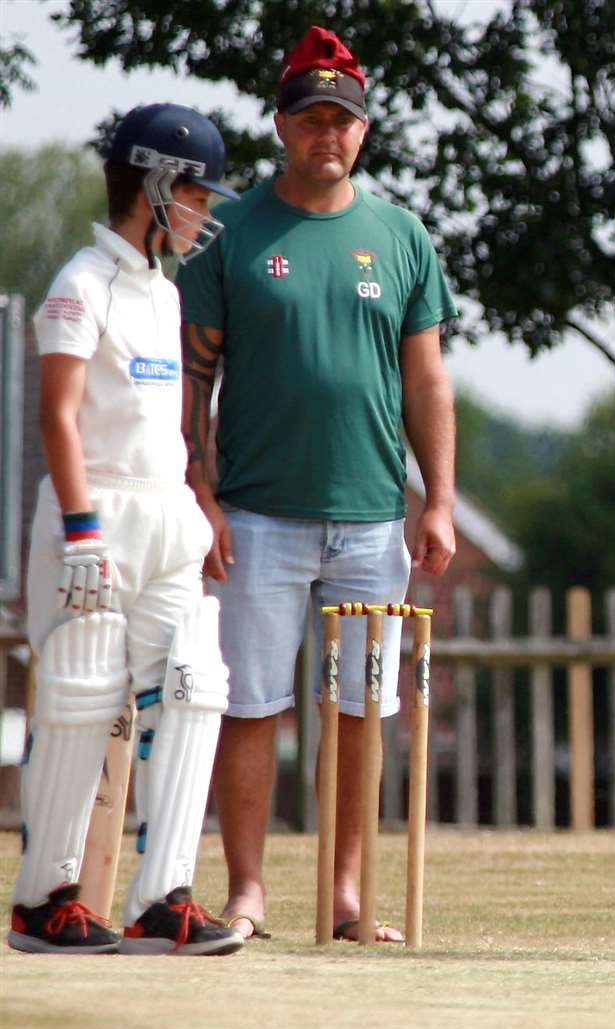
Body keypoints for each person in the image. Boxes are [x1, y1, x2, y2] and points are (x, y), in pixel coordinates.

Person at [175, 26, 459, 943]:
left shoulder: (401, 235)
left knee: (359, 716)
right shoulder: (232, 234)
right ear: (282, 126)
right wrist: (201, 494)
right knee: (252, 704)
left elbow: (427, 382)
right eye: (309, 119)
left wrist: (441, 499)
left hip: (373, 516)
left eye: (341, 120)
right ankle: (249, 890)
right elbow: (192, 380)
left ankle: (343, 897)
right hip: (255, 516)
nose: (325, 134)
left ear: (364, 131)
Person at [10, 103, 244, 955]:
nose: (205, 213)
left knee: (195, 684)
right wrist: (80, 531)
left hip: (164, 513)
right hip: (95, 514)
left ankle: (164, 899)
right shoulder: (82, 284)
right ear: (154, 186)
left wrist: (195, 502)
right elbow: (59, 418)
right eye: (197, 194)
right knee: (79, 700)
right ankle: (46, 901)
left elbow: (170, 424)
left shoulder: (161, 287)